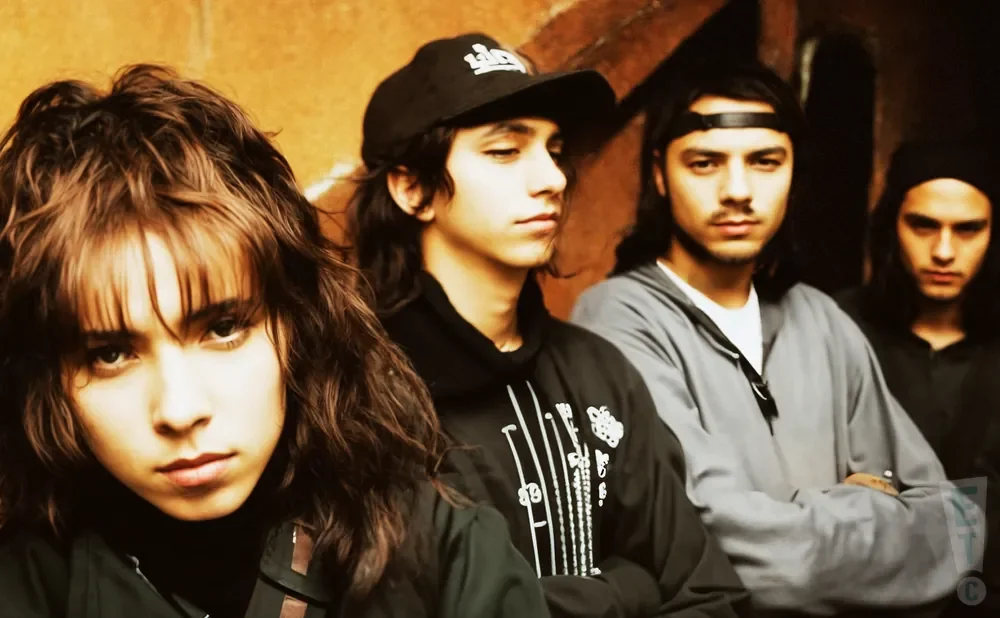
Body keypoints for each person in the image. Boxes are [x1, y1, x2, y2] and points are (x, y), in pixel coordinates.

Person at [0, 64, 551, 618]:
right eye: (111, 354)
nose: (180, 409)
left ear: (298, 326)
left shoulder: (445, 552)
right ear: (48, 377)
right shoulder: (33, 580)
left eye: (222, 328)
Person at [347, 32, 750, 618]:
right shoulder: (360, 392)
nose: (553, 179)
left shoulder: (599, 371)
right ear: (414, 189)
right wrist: (624, 590)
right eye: (506, 151)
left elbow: (708, 593)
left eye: (555, 149)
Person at [569, 62, 982, 615]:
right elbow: (718, 551)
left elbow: (957, 523)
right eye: (705, 163)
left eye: (765, 163)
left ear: (794, 175)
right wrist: (866, 508)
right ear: (661, 175)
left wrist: (791, 523)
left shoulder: (821, 318)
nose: (737, 191)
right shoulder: (617, 320)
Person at [836, 140, 1000, 616]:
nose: (943, 251)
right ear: (892, 227)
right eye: (923, 226)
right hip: (864, 595)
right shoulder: (835, 327)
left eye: (968, 229)